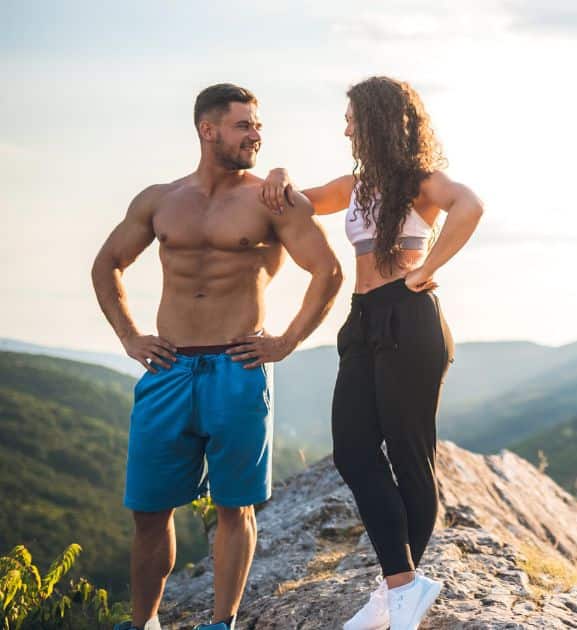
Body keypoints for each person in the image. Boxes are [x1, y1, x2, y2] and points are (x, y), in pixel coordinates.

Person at [92, 83, 343, 630]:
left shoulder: (271, 200)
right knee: (149, 512)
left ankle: (220, 623)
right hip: (168, 369)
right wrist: (131, 337)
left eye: (258, 125)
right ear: (209, 130)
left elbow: (328, 272)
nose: (256, 134)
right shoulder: (159, 199)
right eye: (244, 125)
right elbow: (107, 263)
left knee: (235, 507)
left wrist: (286, 341)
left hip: (238, 368)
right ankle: (144, 624)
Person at [260, 75, 484, 629]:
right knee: (354, 449)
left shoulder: (419, 183)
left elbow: (471, 206)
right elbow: (296, 202)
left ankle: (398, 591)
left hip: (407, 317)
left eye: (354, 118)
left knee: (410, 453)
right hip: (362, 320)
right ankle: (403, 585)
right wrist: (279, 172)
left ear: (380, 121)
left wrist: (428, 269)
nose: (346, 127)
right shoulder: (356, 186)